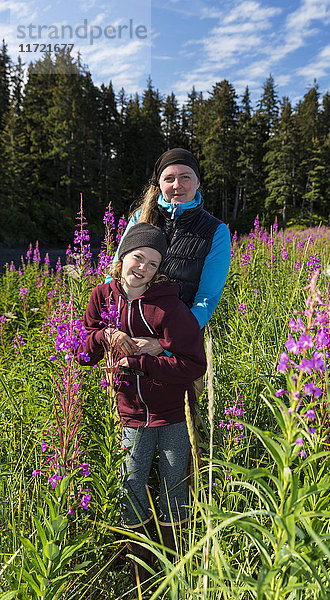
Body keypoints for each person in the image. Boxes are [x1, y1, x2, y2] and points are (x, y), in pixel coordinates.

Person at [77, 222, 207, 586]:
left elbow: (195, 364)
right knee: (130, 490)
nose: (143, 269)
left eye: (152, 263)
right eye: (138, 258)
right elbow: (82, 354)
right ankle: (139, 577)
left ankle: (176, 570)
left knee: (173, 490)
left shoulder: (169, 307)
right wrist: (105, 335)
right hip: (128, 416)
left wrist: (146, 359)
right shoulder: (102, 296)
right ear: (122, 257)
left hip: (170, 419)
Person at [108, 148, 231, 357]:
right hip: (128, 341)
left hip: (178, 349)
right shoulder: (141, 217)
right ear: (159, 184)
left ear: (198, 182)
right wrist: (109, 328)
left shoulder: (216, 231)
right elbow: (114, 274)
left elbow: (206, 300)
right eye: (169, 178)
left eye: (185, 177)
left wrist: (166, 343)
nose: (177, 185)